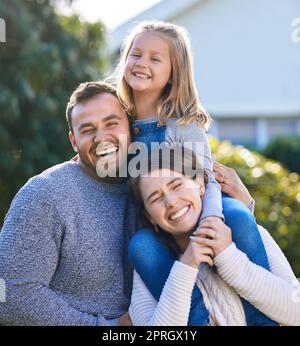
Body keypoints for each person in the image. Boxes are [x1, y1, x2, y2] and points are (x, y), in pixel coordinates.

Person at [111, 21, 276, 325]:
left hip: (200, 205)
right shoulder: (119, 124)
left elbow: (209, 180)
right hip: (157, 218)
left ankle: (262, 318)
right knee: (141, 246)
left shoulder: (182, 125)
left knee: (238, 214)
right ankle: (198, 319)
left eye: (155, 59)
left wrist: (212, 218)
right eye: (136, 54)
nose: (141, 63)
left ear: (173, 73)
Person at [0, 81, 134, 326]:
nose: (101, 137)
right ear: (74, 141)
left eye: (111, 123)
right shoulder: (45, 194)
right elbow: (10, 295)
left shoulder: (152, 189)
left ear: (131, 127)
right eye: (87, 130)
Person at [128, 145, 300, 326]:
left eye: (177, 185)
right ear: (149, 216)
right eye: (155, 198)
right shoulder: (148, 265)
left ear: (200, 185)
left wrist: (229, 257)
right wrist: (185, 268)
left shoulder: (250, 234)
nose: (171, 202)